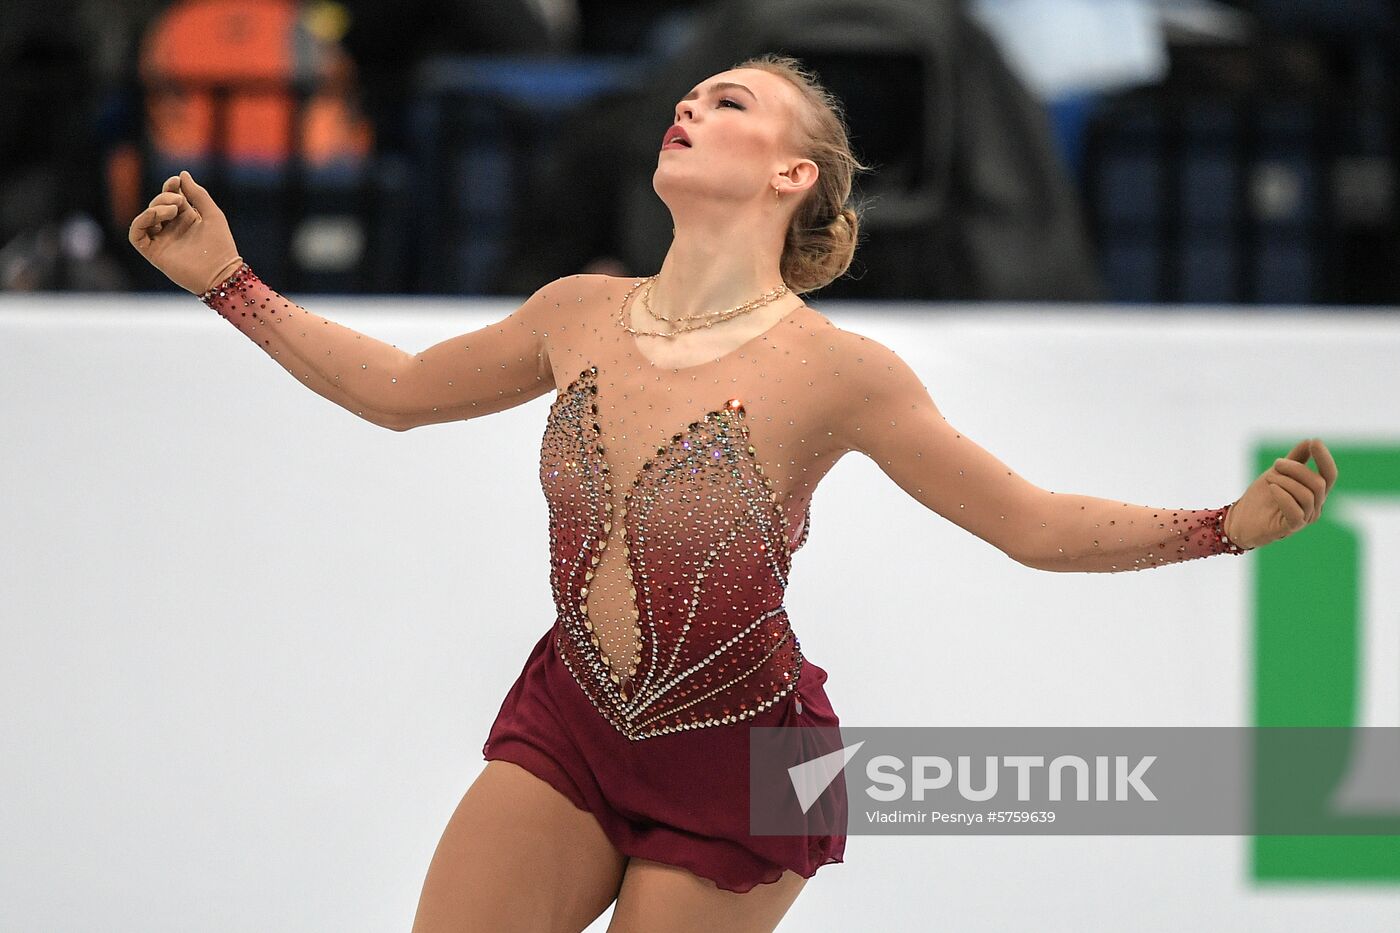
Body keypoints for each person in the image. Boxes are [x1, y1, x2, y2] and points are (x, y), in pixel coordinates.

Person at [128, 53, 1337, 933]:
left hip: (744, 759)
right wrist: (226, 280)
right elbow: (394, 390)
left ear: (790, 173)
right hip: (574, 717)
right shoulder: (577, 313)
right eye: (687, 95)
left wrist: (1222, 529)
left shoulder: (838, 372)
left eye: (729, 101)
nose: (688, 106)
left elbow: (1025, 522)